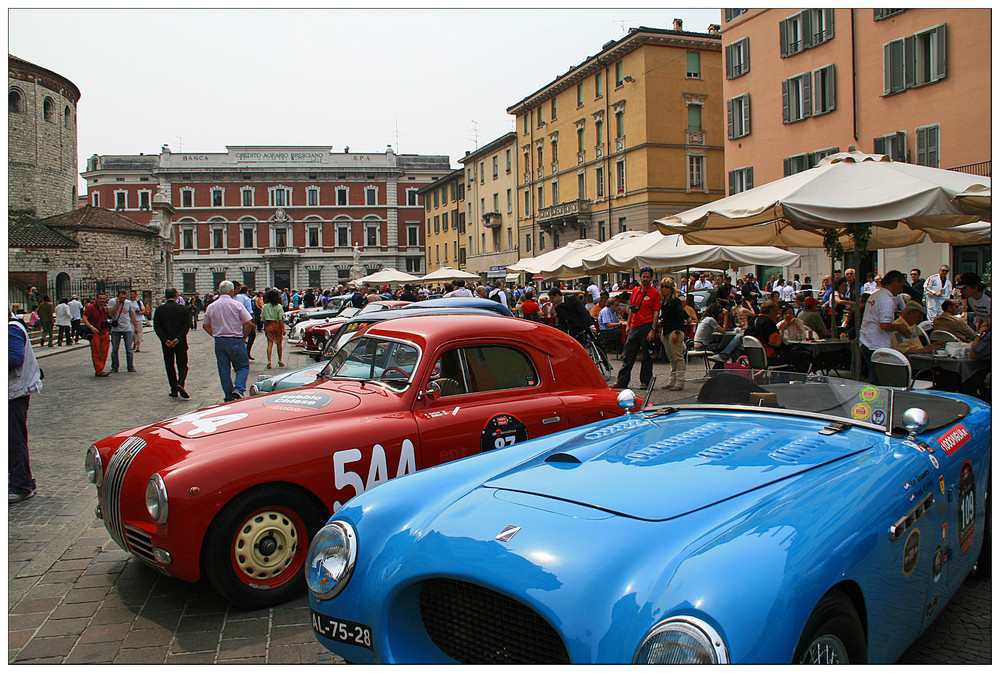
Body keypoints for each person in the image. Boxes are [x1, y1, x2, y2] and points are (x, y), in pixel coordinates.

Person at [9, 312, 42, 503]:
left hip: (13, 393)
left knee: (14, 440)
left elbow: (14, 359)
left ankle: (22, 485)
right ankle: (20, 480)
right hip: (12, 391)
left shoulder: (11, 330)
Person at [203, 280, 253, 401]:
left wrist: (215, 334)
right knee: (242, 366)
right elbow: (248, 323)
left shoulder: (212, 306)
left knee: (224, 369)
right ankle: (239, 388)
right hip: (235, 339)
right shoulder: (236, 304)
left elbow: (205, 325)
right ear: (231, 291)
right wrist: (244, 336)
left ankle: (229, 396)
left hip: (220, 341)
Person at [858, 270, 911, 384]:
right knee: (878, 379)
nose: (901, 290)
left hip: (867, 340)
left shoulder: (875, 295)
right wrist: (899, 327)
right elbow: (884, 325)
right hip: (876, 344)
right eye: (901, 286)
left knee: (874, 376)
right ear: (895, 283)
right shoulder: (886, 300)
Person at [613, 267, 661, 390]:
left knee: (646, 355)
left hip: (647, 325)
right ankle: (622, 381)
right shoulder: (635, 290)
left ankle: (645, 381)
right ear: (640, 277)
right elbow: (632, 309)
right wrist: (629, 324)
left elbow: (656, 313)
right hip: (635, 325)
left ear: (651, 278)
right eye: (643, 277)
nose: (645, 279)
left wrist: (653, 330)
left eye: (647, 277)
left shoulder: (654, 293)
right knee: (628, 354)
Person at [746, 300, 811, 372]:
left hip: (756, 358)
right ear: (771, 310)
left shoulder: (754, 320)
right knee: (805, 355)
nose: (777, 313)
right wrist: (781, 330)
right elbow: (776, 343)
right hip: (772, 357)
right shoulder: (767, 323)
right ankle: (797, 378)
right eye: (776, 311)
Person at [153, 288, 191, 398]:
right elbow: (186, 325)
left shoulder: (160, 309)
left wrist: (165, 339)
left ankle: (174, 389)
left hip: (167, 343)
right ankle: (180, 383)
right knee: (183, 365)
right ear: (176, 295)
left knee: (170, 365)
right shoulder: (183, 309)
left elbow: (157, 326)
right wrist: (178, 338)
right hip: (180, 342)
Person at [659, 279, 688, 390]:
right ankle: (672, 380)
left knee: (678, 358)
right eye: (662, 286)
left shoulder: (675, 301)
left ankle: (679, 382)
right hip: (666, 330)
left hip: (674, 331)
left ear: (671, 289)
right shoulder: (664, 302)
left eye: (666, 287)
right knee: (671, 358)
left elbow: (679, 317)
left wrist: (677, 331)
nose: (664, 289)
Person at [106, 289, 139, 373]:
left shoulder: (128, 303)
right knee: (115, 349)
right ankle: (114, 367)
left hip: (126, 328)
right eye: (121, 297)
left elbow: (131, 314)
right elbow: (110, 313)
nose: (123, 299)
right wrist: (117, 305)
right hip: (116, 329)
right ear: (118, 296)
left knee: (129, 349)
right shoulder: (112, 302)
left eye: (124, 298)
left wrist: (136, 326)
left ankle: (130, 366)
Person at [82, 293, 112, 376]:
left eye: (103, 298)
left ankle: (101, 368)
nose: (102, 300)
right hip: (95, 333)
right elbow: (84, 318)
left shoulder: (104, 308)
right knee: (96, 352)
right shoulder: (91, 308)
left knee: (104, 351)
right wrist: (91, 327)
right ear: (97, 299)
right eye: (100, 298)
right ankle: (99, 370)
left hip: (104, 332)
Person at [262, 288, 286, 368]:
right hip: (277, 325)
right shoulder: (278, 306)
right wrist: (283, 329)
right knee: (279, 343)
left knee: (269, 343)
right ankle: (280, 360)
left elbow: (263, 318)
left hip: (269, 325)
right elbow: (281, 318)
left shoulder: (265, 306)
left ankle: (269, 360)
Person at [236, 283, 257, 361]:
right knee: (251, 335)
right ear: (246, 291)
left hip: (236, 321)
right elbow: (250, 311)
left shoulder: (234, 297)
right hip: (246, 320)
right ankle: (247, 352)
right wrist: (253, 323)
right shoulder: (246, 298)